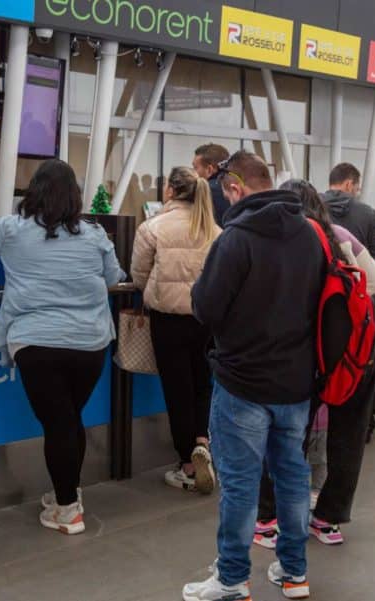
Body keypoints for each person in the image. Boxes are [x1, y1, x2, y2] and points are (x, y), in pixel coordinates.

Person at [184, 151, 322, 601]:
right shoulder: (309, 234)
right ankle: (294, 574)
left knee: (241, 485)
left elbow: (205, 308)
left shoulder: (235, 239)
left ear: (235, 188)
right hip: (296, 381)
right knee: (293, 477)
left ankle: (232, 580)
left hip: (242, 381)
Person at [0, 159, 125, 534]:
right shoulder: (94, 234)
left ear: (34, 192)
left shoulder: (13, 231)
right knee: (69, 418)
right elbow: (113, 277)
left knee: (58, 423)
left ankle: (67, 510)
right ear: (75, 196)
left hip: (37, 341)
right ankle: (67, 492)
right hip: (90, 342)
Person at [254, 179, 375, 549]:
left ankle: (269, 516)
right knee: (349, 436)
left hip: (307, 353)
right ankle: (328, 519)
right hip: (358, 351)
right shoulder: (339, 235)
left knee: (284, 434)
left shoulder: (279, 240)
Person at [131, 167, 221, 494]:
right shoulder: (215, 230)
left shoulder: (152, 228)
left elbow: (139, 275)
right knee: (203, 384)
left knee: (177, 390)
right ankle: (202, 442)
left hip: (167, 320)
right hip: (206, 319)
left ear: (170, 190)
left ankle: (186, 464)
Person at [321, 162, 375, 264]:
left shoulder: (311, 207)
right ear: (348, 185)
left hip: (321, 277)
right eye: (357, 189)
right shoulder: (369, 213)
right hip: (356, 277)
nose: (357, 194)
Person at [192, 143, 231, 227]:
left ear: (209, 170)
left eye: (195, 168)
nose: (193, 173)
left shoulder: (205, 190)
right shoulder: (236, 186)